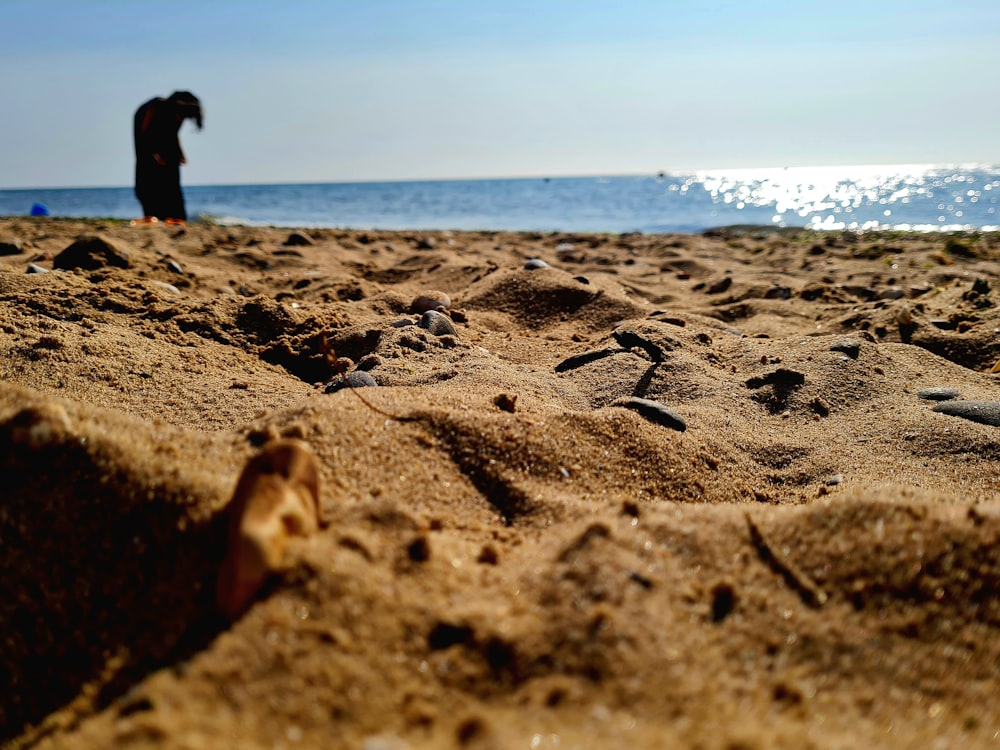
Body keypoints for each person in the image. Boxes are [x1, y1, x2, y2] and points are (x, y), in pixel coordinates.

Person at [133, 91, 203, 223]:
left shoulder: (179, 114)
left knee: (172, 183)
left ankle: (174, 217)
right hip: (147, 150)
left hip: (167, 151)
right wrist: (153, 152)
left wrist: (181, 153)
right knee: (148, 182)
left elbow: (174, 135)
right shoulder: (156, 106)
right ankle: (154, 215)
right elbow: (144, 133)